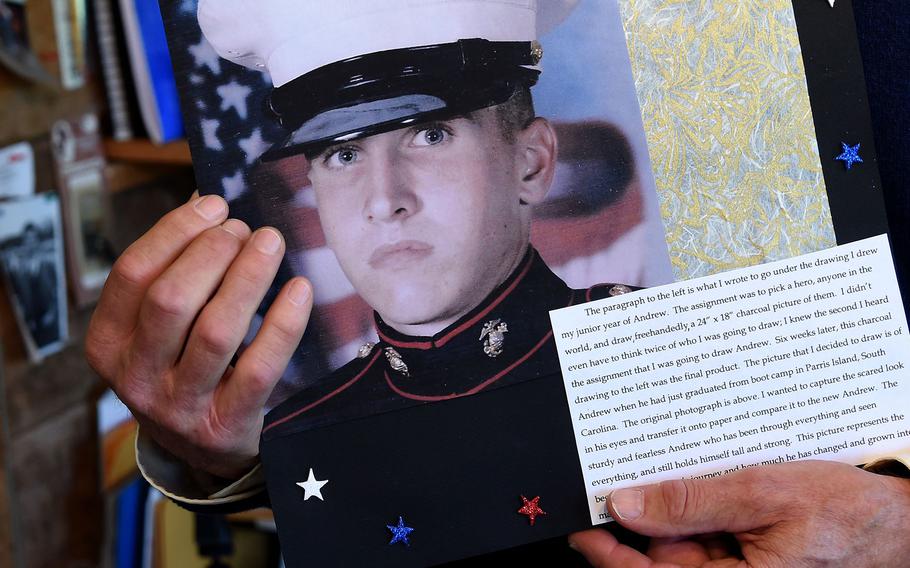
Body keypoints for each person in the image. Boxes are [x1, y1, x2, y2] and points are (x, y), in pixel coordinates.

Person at [85, 0, 910, 565]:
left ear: (532, 161)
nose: (384, 201)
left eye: (432, 133)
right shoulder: (315, 409)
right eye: (341, 155)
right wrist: (211, 456)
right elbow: (342, 503)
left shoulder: (694, 349)